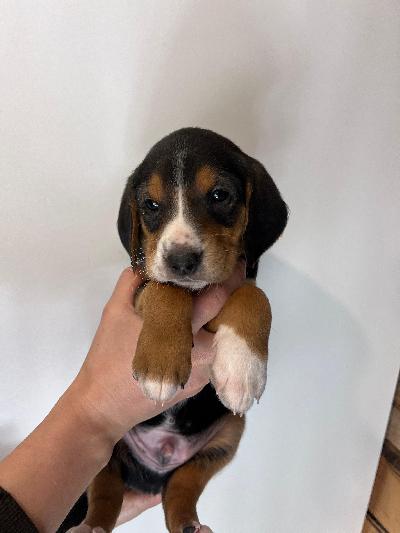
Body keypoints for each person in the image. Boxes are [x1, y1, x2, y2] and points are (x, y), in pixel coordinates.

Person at [0, 263, 245, 532]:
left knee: (205, 459)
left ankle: (174, 515)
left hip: (199, 436)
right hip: (127, 450)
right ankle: (111, 521)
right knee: (107, 489)